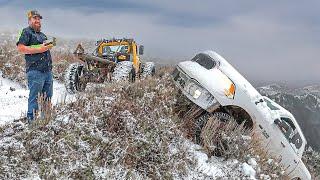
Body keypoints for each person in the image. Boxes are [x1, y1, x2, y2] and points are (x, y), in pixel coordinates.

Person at [16, 10, 54, 123]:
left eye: (39, 19)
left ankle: (45, 122)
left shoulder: (43, 35)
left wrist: (49, 45)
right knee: (35, 98)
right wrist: (40, 48)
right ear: (29, 20)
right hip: (35, 71)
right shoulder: (26, 32)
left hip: (47, 72)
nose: (37, 20)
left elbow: (45, 47)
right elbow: (21, 48)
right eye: (34, 18)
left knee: (47, 99)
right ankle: (32, 124)